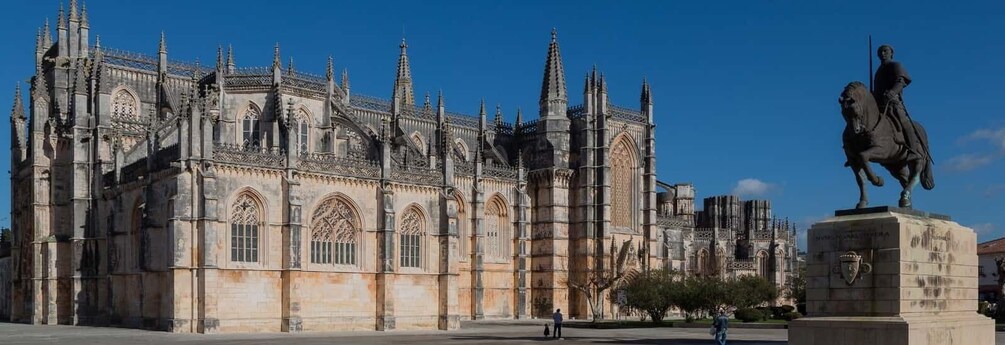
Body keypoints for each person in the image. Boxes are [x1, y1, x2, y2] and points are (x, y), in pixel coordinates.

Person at [873, 44, 924, 160]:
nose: (883, 53)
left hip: (892, 102)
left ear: (891, 53)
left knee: (902, 120)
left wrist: (892, 92)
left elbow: (901, 81)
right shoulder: (878, 72)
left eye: (885, 51)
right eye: (880, 52)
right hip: (879, 104)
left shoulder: (895, 65)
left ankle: (913, 150)